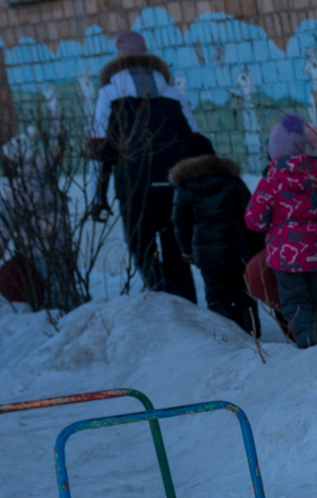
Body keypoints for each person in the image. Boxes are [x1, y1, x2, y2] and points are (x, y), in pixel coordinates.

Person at [86, 30, 198, 303]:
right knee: (177, 253)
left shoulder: (109, 94)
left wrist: (96, 197)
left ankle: (172, 307)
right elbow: (195, 142)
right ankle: (193, 314)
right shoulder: (172, 94)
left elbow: (100, 148)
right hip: (174, 187)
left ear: (118, 59)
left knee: (143, 251)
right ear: (147, 56)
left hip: (133, 189)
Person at [244, 115, 317, 349]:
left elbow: (254, 221)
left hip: (285, 257)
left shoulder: (270, 182)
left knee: (296, 303)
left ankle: (311, 348)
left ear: (274, 151)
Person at [169, 135, 259, 335]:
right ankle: (252, 336)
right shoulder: (231, 179)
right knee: (245, 293)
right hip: (239, 249)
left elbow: (179, 224)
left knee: (218, 297)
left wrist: (187, 251)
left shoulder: (184, 186)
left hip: (207, 252)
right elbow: (250, 213)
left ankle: (230, 340)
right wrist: (256, 246)